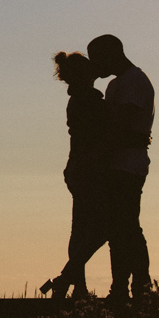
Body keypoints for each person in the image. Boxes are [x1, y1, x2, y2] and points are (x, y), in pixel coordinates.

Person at [88, 34, 154, 300]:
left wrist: (98, 153)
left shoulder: (134, 82)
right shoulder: (116, 85)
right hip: (118, 162)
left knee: (127, 225)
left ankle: (139, 285)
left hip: (129, 163)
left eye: (97, 59)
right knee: (118, 227)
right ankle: (122, 286)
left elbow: (122, 125)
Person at [41, 51, 109, 298]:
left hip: (78, 169)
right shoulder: (89, 101)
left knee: (80, 229)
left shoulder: (79, 100)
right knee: (102, 229)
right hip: (89, 169)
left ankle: (75, 286)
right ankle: (66, 278)